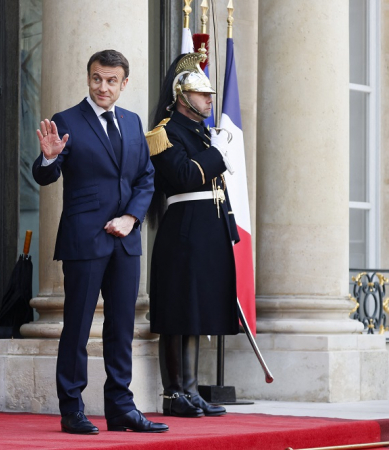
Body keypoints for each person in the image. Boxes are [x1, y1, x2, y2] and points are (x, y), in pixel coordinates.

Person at [32, 49, 166, 435]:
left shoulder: (132, 121)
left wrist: (130, 218)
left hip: (125, 240)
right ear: (88, 78)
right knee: (76, 325)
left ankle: (121, 407)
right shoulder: (67, 121)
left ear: (124, 84)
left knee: (122, 326)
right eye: (96, 78)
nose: (102, 86)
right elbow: (46, 176)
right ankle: (71, 408)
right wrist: (47, 159)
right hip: (84, 239)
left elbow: (146, 178)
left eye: (111, 80)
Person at [147, 52, 239, 418]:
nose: (210, 100)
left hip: (207, 228)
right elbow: (184, 176)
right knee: (177, 311)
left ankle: (190, 389)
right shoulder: (163, 133)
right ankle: (174, 394)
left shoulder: (201, 133)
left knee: (196, 310)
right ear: (182, 96)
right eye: (203, 94)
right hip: (183, 229)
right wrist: (216, 155)